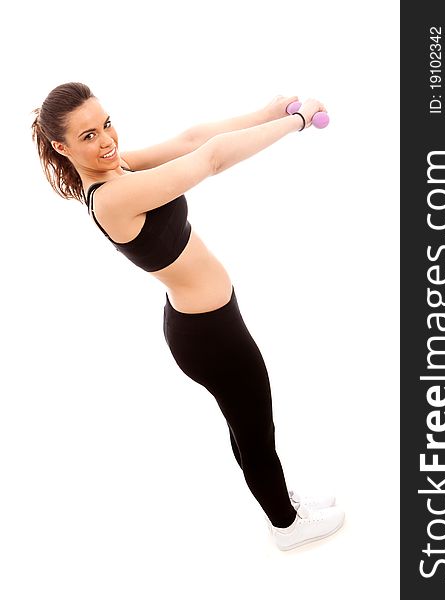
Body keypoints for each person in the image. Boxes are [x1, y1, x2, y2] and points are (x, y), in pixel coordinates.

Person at [31, 82, 344, 551]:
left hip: (207, 322)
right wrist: (295, 122)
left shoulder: (118, 168)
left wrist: (264, 111)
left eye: (107, 124)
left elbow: (190, 141)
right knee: (256, 430)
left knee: (246, 424)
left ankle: (281, 502)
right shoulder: (112, 197)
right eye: (89, 136)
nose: (107, 140)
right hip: (210, 335)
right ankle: (286, 525)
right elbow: (211, 159)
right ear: (63, 147)